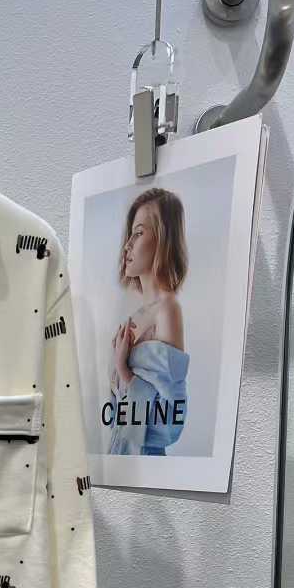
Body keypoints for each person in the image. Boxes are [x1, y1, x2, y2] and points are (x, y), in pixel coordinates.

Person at [107, 186, 191, 457]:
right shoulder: (134, 317)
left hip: (144, 460)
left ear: (163, 239)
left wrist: (123, 370)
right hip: (119, 456)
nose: (128, 245)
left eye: (139, 233)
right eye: (130, 234)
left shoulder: (168, 310)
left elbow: (170, 424)